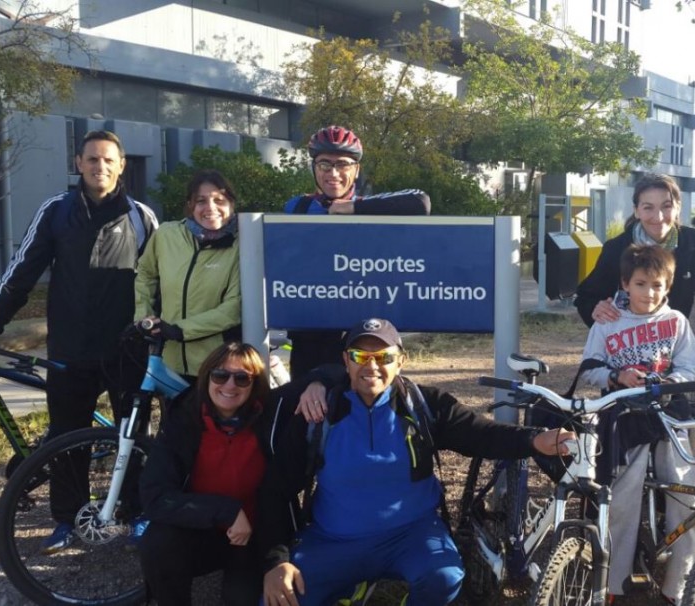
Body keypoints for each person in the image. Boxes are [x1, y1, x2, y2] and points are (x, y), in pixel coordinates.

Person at [256, 318, 574, 606]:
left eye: (384, 357)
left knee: (444, 578)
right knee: (279, 597)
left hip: (410, 536)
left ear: (401, 362)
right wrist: (275, 561)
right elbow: (275, 490)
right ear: (345, 361)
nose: (372, 366)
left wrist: (535, 440)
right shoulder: (319, 413)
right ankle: (346, 586)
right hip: (334, 540)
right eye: (359, 356)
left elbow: (480, 434)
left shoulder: (423, 405)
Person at [0, 130, 158, 553]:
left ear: (121, 165)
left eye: (108, 160)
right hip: (69, 350)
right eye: (91, 159)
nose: (99, 166)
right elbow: (20, 274)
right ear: (78, 163)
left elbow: (161, 283)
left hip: (128, 352)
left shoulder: (142, 216)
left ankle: (136, 510)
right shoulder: (55, 211)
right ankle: (68, 519)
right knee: (66, 439)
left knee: (132, 437)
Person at [579, 244, 695, 604]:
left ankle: (678, 585)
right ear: (625, 284)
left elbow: (691, 370)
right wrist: (617, 375)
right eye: (641, 284)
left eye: (657, 285)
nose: (649, 293)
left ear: (668, 286)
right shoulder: (607, 321)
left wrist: (665, 383)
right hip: (623, 417)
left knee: (684, 492)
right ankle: (613, 583)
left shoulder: (676, 322)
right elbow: (589, 371)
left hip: (666, 415)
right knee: (622, 497)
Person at [283, 126, 431, 380]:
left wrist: (351, 208)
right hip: (310, 329)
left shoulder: (369, 207)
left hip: (358, 332)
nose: (334, 173)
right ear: (313, 168)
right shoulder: (298, 206)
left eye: (343, 164)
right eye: (324, 165)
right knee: (305, 409)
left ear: (356, 169)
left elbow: (420, 201)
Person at [138, 342, 271, 605]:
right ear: (207, 377)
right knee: (157, 543)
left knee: (240, 598)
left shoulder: (272, 417)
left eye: (242, 378)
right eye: (220, 375)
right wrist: (225, 510)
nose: (230, 385)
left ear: (254, 384)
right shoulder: (183, 420)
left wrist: (317, 385)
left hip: (254, 537)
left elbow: (330, 373)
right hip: (203, 529)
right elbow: (154, 497)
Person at [575, 173, 695, 331]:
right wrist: (596, 309)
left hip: (673, 344)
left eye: (666, 206)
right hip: (625, 349)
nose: (659, 217)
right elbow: (587, 296)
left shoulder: (691, 242)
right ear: (637, 211)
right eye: (648, 207)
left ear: (677, 208)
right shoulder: (617, 248)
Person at [134, 169, 241, 379]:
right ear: (190, 206)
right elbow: (146, 274)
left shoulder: (244, 245)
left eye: (219, 200)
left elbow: (234, 307)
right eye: (201, 201)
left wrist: (179, 330)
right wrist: (144, 316)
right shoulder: (166, 234)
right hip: (169, 361)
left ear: (231, 204)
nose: (211, 208)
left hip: (219, 366)